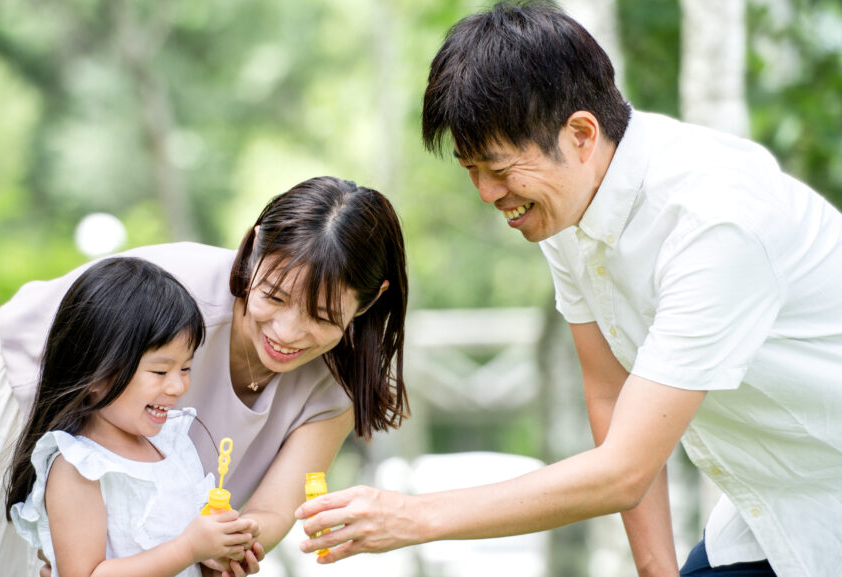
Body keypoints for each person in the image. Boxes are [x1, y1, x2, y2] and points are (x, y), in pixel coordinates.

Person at [295, 3, 842, 577]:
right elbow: (611, 393)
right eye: (470, 170)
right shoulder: (566, 207)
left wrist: (415, 517)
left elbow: (624, 470)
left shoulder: (716, 222)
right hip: (773, 510)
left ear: (581, 134)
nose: (486, 194)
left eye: (499, 169)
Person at [0, 176, 409, 577]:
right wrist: (61, 533)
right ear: (253, 249)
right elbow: (71, 398)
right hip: (27, 400)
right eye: (273, 297)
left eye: (322, 317)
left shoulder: (334, 390)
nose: (287, 332)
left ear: (372, 299)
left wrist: (225, 547)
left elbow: (274, 508)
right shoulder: (176, 293)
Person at [6, 256, 258, 577]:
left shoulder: (171, 445)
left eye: (185, 368)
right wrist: (188, 548)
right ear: (97, 374)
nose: (178, 385)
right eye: (160, 370)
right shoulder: (80, 467)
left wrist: (215, 557)